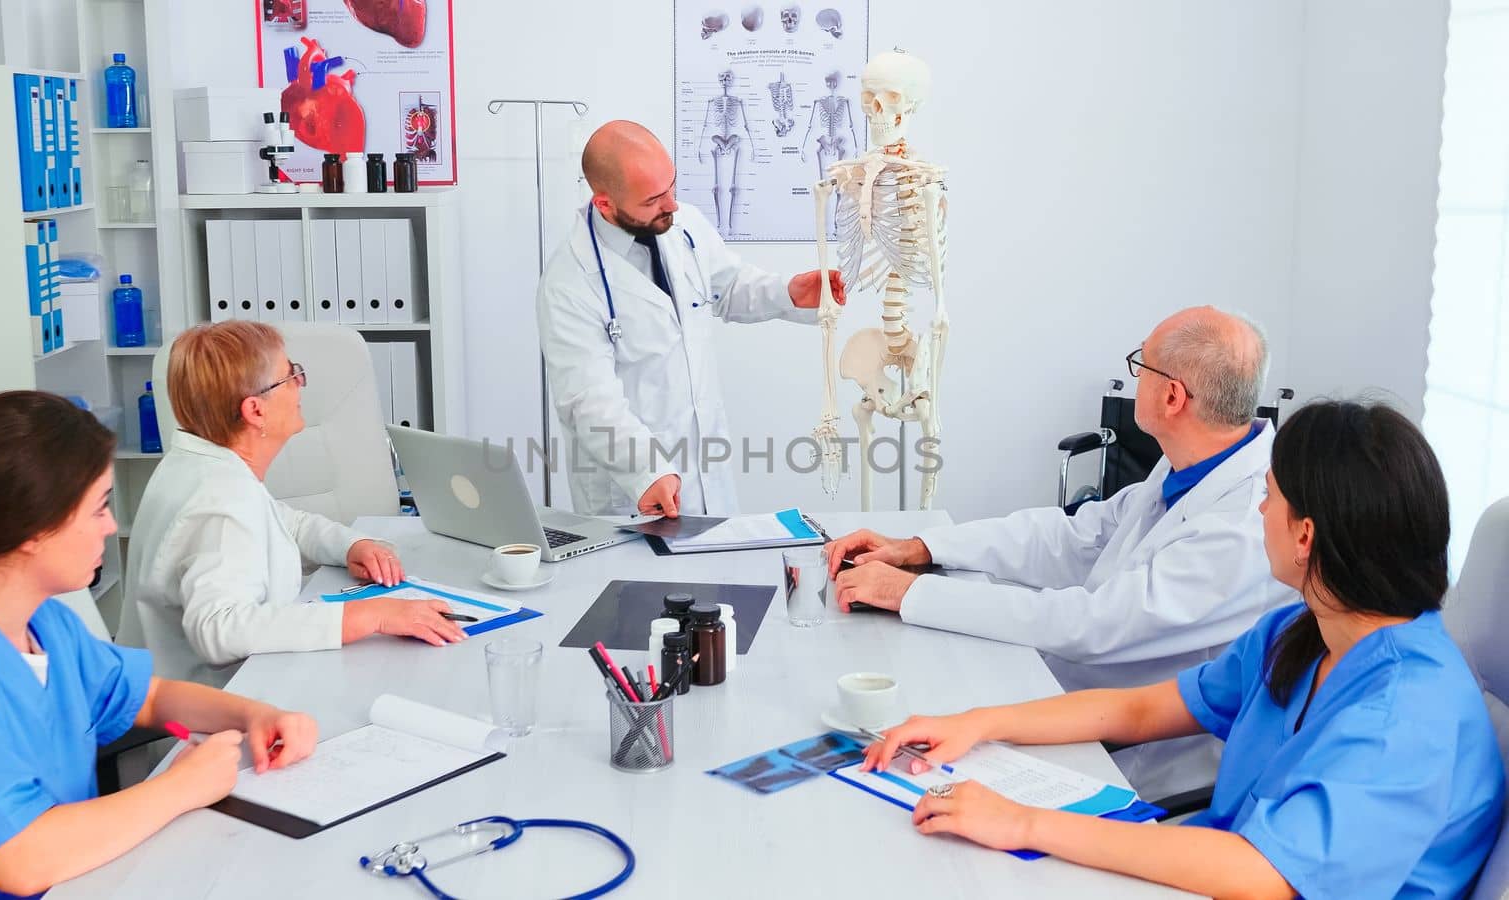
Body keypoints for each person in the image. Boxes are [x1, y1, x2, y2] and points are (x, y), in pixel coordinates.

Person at [862, 400, 1504, 898]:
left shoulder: (1409, 716)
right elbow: (1139, 712)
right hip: (1210, 869)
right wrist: (975, 724)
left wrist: (1024, 822)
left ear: (1305, 534)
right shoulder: (1299, 634)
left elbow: (1264, 874)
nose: (1258, 509)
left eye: (1270, 496)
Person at [825, 306, 1296, 798]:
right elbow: (1075, 535)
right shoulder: (1194, 465)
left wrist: (913, 594)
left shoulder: (1241, 528)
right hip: (1074, 699)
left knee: (905, 766)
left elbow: (1091, 625)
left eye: (1142, 366)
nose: (1135, 378)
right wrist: (922, 547)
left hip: (1137, 759)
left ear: (1173, 396)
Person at [0, 391, 319, 900]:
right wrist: (181, 787)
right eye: (99, 507)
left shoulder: (46, 624)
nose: (111, 526)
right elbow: (21, 860)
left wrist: (253, 715)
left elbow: (148, 697)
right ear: (34, 529)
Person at [122, 321, 465, 687]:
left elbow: (281, 522)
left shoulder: (199, 465)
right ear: (255, 411)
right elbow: (219, 630)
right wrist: (370, 617)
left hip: (185, 690)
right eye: (290, 375)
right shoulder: (221, 502)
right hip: (206, 716)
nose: (300, 383)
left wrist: (350, 544)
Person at [536, 119, 846, 518]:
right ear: (605, 204)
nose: (672, 205)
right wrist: (645, 470)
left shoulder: (684, 226)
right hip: (634, 493)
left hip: (707, 473)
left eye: (671, 186)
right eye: (652, 200)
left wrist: (787, 292)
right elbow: (588, 400)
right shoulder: (568, 283)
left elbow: (726, 287)